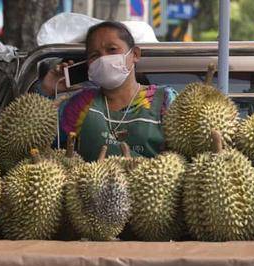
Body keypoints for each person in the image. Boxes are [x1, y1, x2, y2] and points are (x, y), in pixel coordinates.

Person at [38, 21, 177, 161]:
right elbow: (35, 138)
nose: (103, 58)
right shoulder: (80, 104)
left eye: (112, 49)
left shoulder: (165, 100)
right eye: (94, 55)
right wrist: (47, 89)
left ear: (135, 54)